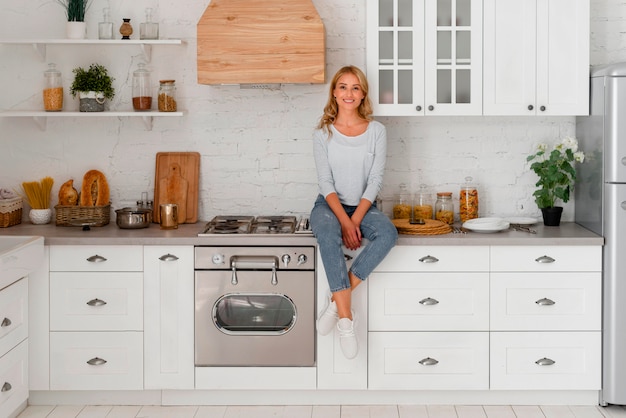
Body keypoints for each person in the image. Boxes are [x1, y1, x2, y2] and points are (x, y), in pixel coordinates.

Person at [310, 65, 398, 359]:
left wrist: (355, 220)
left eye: (355, 87)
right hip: (329, 204)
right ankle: (346, 320)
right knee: (327, 234)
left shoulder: (377, 131)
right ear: (334, 92)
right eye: (343, 87)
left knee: (388, 233)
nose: (349, 93)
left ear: (363, 95)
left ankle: (337, 300)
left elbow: (375, 181)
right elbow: (326, 183)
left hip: (363, 205)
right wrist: (344, 222)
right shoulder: (322, 133)